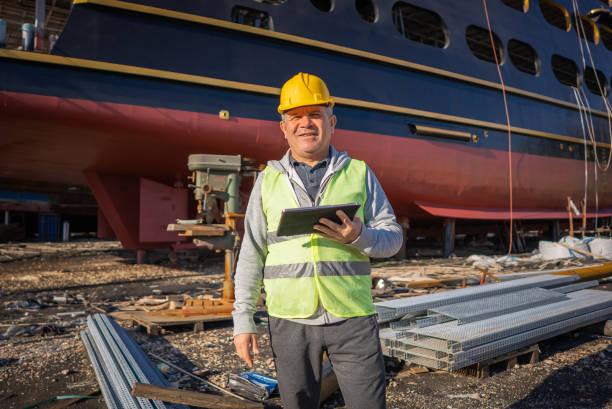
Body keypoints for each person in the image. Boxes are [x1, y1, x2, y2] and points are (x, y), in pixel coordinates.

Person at [232, 72, 403, 409]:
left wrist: (360, 236)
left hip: (353, 317)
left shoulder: (359, 173)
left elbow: (393, 238)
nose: (305, 124)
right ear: (283, 126)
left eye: (315, 115)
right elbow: (251, 254)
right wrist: (243, 320)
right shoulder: (267, 182)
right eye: (295, 117)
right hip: (289, 321)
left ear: (332, 121)